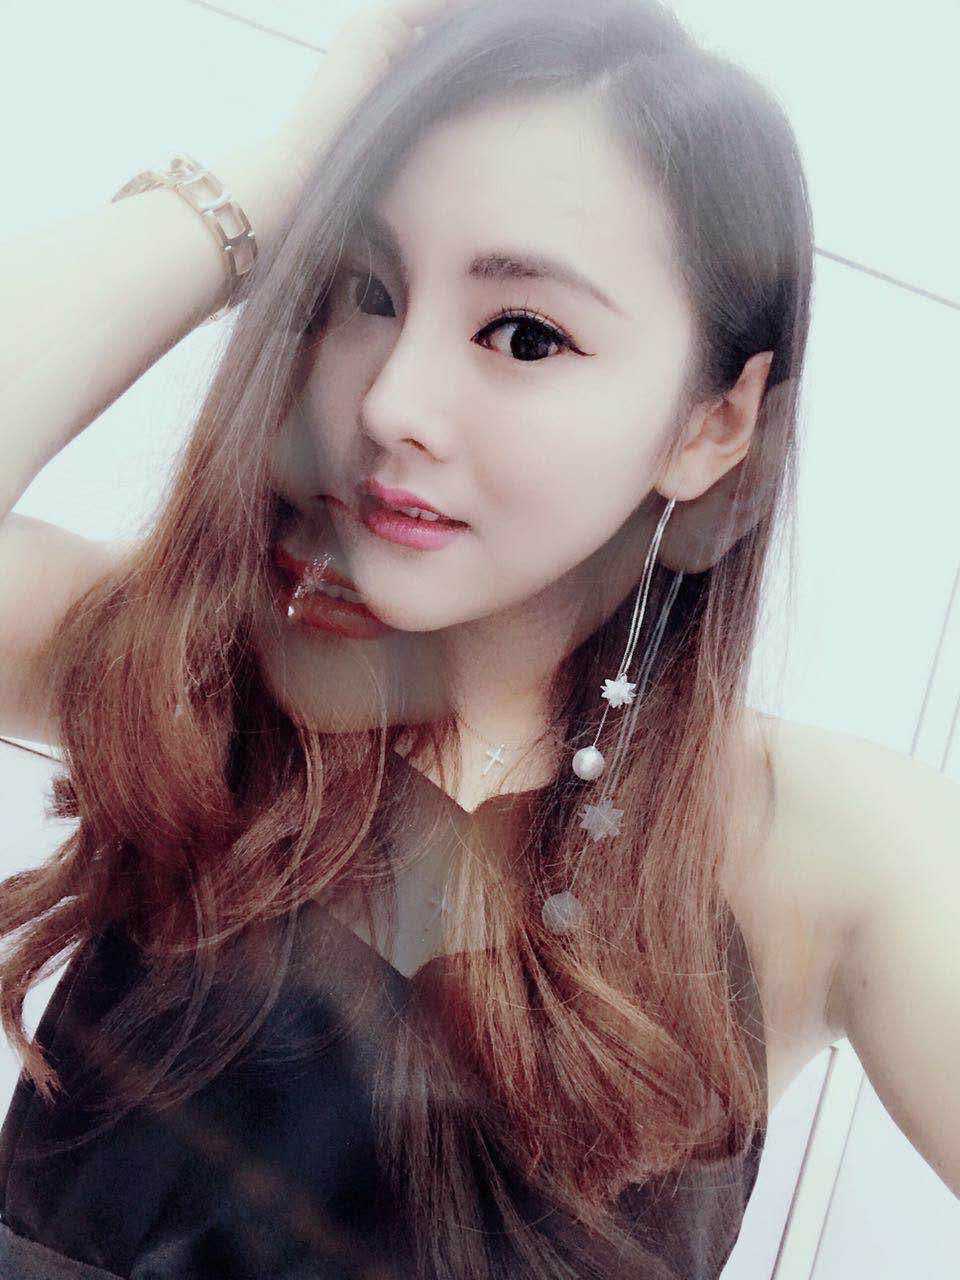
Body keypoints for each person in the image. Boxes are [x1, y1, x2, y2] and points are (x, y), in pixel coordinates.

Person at [0, 1, 820, 1275]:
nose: (390, 402)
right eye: (367, 292)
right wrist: (281, 178)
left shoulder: (804, 846)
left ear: (713, 423)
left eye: (526, 334)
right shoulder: (190, 671)